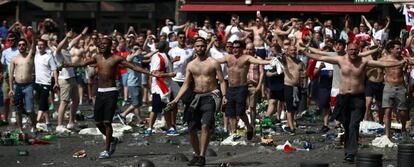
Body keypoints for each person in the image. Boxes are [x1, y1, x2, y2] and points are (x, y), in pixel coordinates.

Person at [301, 43, 405, 163]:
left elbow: (382, 64)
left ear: (358, 50)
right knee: (346, 126)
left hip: (358, 98)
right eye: (351, 50)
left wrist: (399, 63)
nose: (353, 52)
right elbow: (321, 57)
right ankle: (348, 151)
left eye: (355, 50)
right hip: (343, 98)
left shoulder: (363, 62)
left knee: (354, 125)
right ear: (347, 50)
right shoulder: (340, 60)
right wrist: (305, 53)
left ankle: (351, 153)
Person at [64, 37, 154, 159]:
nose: (102, 46)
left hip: (111, 92)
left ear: (110, 45)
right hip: (100, 92)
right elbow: (83, 63)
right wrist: (69, 64)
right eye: (100, 44)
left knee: (107, 122)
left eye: (105, 44)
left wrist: (150, 73)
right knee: (97, 121)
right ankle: (113, 139)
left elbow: (133, 67)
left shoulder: (116, 58)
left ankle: (106, 150)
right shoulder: (97, 57)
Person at [168, 37, 227, 166]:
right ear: (194, 48)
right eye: (198, 46)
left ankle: (202, 156)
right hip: (195, 98)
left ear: (206, 47)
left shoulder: (213, 62)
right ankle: (197, 154)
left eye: (202, 46)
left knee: (206, 125)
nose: (200, 48)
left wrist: (224, 96)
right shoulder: (191, 65)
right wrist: (176, 99)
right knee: (191, 128)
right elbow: (185, 84)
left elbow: (222, 81)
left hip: (210, 97)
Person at [216, 40, 273, 140]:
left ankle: (249, 127)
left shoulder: (246, 58)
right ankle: (233, 132)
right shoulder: (228, 57)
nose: (235, 49)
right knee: (230, 112)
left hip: (241, 88)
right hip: (230, 88)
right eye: (233, 47)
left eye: (237, 47)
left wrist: (270, 61)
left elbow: (259, 61)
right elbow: (216, 60)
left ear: (242, 49)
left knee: (240, 112)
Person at [54, 28, 88, 133]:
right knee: (64, 102)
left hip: (72, 78)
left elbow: (74, 41)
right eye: (66, 41)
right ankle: (59, 125)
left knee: (76, 101)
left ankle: (71, 123)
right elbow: (60, 46)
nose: (68, 42)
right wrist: (67, 37)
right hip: (64, 80)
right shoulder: (57, 52)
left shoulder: (67, 49)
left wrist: (82, 34)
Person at [380, 41, 409, 139]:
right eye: (397, 48)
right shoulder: (385, 59)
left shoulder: (402, 59)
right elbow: (371, 64)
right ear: (391, 49)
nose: (399, 50)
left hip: (400, 86)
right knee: (387, 111)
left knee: (403, 111)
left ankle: (403, 129)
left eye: (400, 48)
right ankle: (387, 135)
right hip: (388, 86)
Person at [8, 32, 36, 132]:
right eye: (19, 45)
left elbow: (33, 45)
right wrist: (11, 89)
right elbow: (11, 74)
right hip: (17, 86)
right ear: (17, 46)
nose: (21, 46)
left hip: (28, 86)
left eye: (23, 44)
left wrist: (33, 36)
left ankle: (34, 127)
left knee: (30, 110)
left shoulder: (30, 56)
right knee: (17, 110)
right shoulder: (14, 59)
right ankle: (20, 130)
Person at [34, 39, 59, 132]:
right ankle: (48, 123)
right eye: (38, 45)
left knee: (42, 102)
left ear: (45, 46)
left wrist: (56, 82)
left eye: (42, 45)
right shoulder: (36, 55)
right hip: (37, 82)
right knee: (42, 103)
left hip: (46, 83)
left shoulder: (49, 57)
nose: (40, 46)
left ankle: (35, 123)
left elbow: (54, 69)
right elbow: (31, 44)